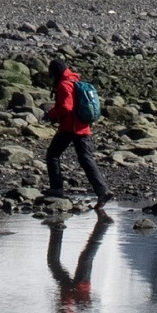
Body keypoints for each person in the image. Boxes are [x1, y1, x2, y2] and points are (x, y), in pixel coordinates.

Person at [45, 58, 111, 207]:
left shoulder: (64, 85)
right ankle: (102, 191)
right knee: (86, 159)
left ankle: (56, 189)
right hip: (84, 127)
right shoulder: (75, 80)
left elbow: (65, 108)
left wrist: (51, 115)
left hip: (70, 127)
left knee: (52, 155)